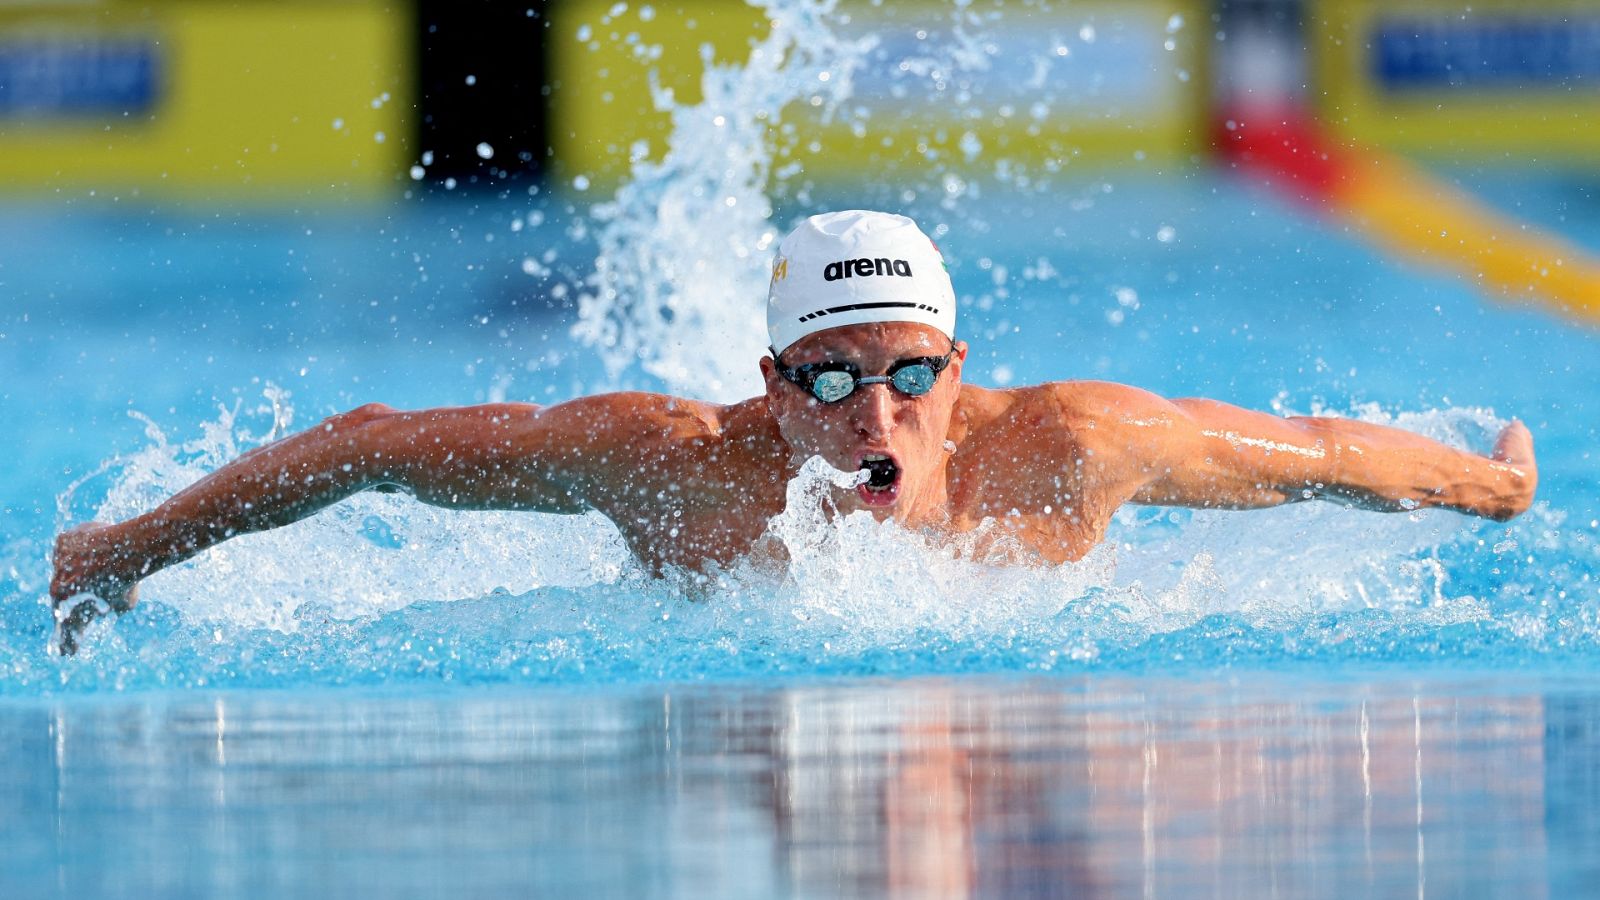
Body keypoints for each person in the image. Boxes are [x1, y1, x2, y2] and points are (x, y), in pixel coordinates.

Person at [49, 210, 1537, 653]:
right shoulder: (668, 465)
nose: (870, 417)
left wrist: (1491, 491)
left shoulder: (1075, 449)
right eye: (826, 383)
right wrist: (123, 547)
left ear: (960, 369)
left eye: (904, 376)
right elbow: (372, 439)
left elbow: (1326, 453)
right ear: (771, 388)